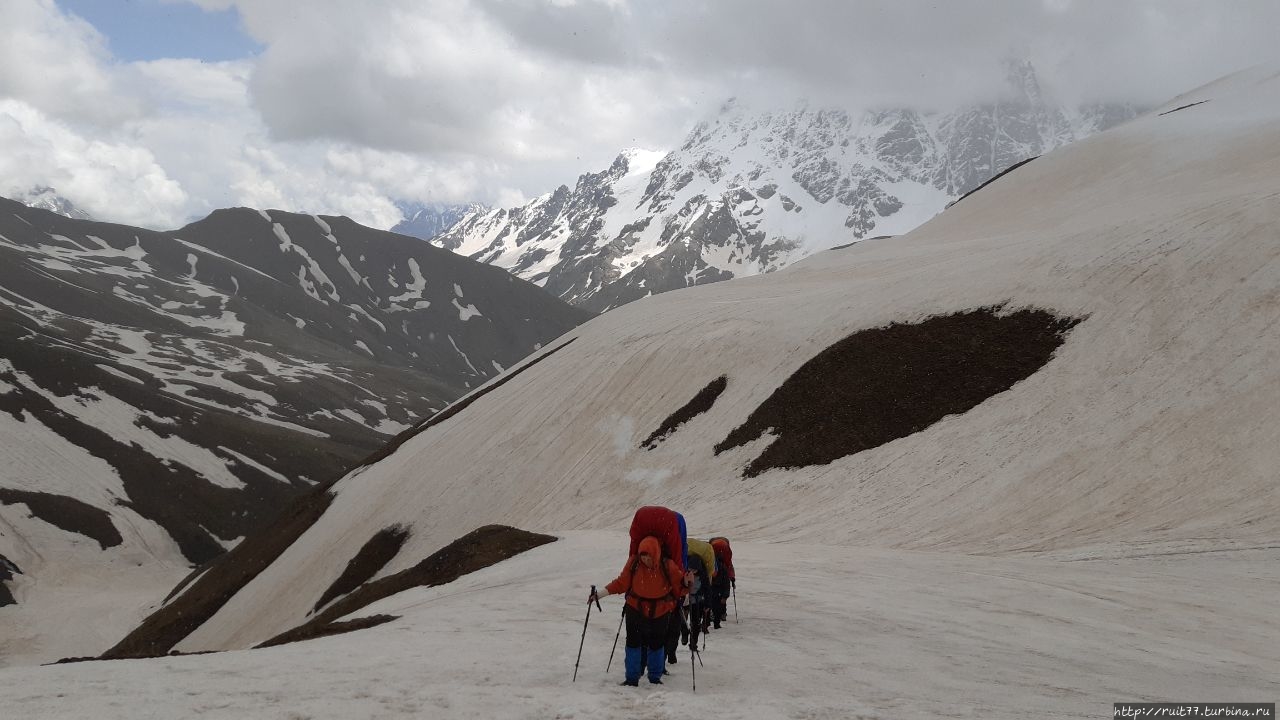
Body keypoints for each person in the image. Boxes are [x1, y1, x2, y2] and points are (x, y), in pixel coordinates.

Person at [592, 535, 687, 686]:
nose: (646, 561)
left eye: (648, 558)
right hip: (635, 608)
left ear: (656, 553)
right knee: (633, 643)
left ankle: (655, 678)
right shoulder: (634, 563)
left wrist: (687, 583)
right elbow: (621, 583)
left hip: (660, 611)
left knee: (657, 643)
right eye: (643, 558)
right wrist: (599, 595)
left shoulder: (667, 565)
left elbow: (680, 588)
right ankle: (632, 678)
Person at [708, 536, 735, 628]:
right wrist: (732, 578)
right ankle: (722, 613)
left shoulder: (712, 552)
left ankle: (713, 614)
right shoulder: (726, 556)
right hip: (722, 580)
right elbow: (730, 566)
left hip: (714, 580)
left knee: (713, 598)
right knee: (721, 597)